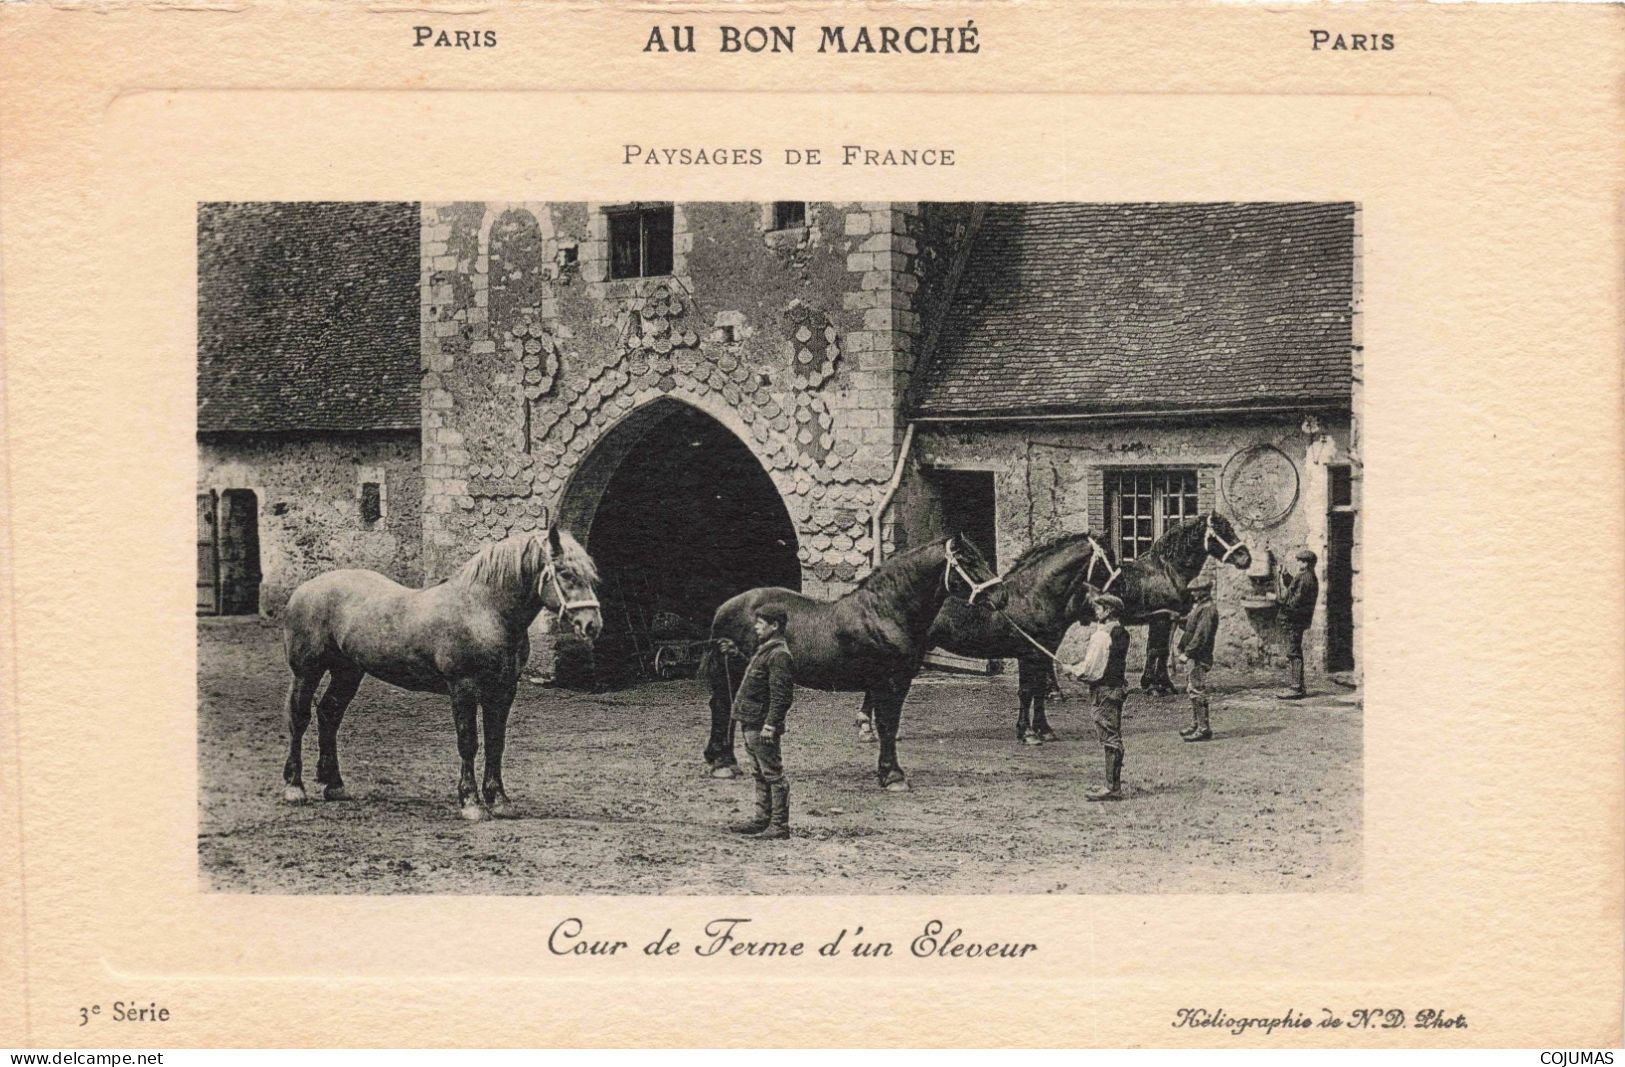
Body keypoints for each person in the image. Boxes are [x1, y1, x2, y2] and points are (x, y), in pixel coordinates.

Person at [728, 606, 795, 840]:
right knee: (759, 773)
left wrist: (771, 725)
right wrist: (736, 655)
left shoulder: (779, 655)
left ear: (774, 626)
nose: (756, 627)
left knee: (773, 775)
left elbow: (782, 696)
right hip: (751, 722)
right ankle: (761, 820)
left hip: (761, 725)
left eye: (760, 623)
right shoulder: (767, 651)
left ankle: (778, 825)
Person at [1064, 594, 1131, 801]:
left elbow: (1093, 670)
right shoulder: (1121, 632)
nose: (1096, 611)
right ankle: (1111, 784)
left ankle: (1112, 788)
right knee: (1112, 735)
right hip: (1115, 689)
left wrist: (1072, 670)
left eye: (1100, 608)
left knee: (1110, 737)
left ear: (1109, 611)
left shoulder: (1102, 636)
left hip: (1104, 691)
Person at [1176, 576, 1220, 741]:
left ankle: (1203, 728)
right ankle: (1196, 724)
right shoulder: (1200, 607)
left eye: (1195, 591)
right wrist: (1180, 620)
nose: (1193, 594)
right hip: (1193, 656)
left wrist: (1188, 653)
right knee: (1192, 690)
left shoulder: (1208, 609)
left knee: (1197, 690)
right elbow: (1191, 625)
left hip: (1198, 656)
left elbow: (1201, 636)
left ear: (1203, 591)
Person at [1277, 548, 1320, 700]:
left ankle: (1296, 688)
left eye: (1302, 561)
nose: (1299, 563)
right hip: (1297, 619)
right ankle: (1298, 686)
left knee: (1294, 652)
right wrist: (1285, 575)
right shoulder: (1304, 576)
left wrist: (1279, 600)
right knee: (1294, 651)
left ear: (1308, 563)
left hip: (1296, 619)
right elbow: (1294, 588)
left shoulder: (1306, 578)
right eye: (1299, 561)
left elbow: (1296, 600)